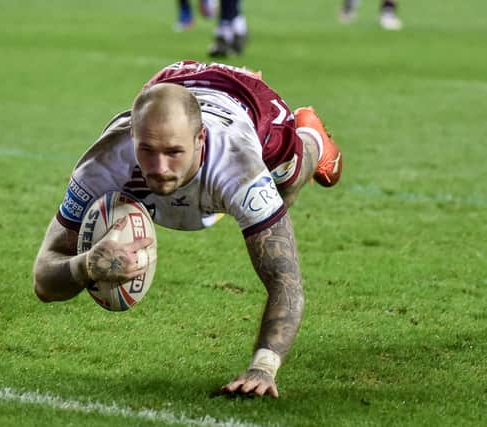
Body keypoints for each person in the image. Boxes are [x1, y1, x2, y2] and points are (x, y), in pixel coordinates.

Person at [33, 60, 343, 398]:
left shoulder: (238, 168)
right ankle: (205, 199)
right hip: (173, 81)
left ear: (199, 139)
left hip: (250, 104)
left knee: (288, 183)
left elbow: (287, 283)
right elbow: (43, 282)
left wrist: (263, 368)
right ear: (133, 135)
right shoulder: (104, 163)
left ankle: (312, 139)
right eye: (147, 150)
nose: (160, 167)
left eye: (174, 152)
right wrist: (85, 265)